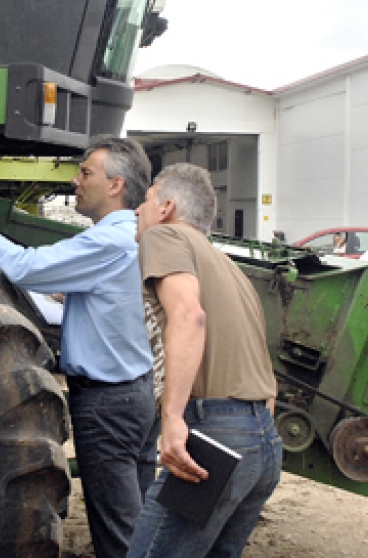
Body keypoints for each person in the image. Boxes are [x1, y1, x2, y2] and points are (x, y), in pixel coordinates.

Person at [0, 135, 158, 558]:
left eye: (86, 172)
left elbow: (24, 267)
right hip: (134, 395)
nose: (75, 181)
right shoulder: (131, 235)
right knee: (140, 523)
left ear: (115, 185)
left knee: (119, 535)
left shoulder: (107, 242)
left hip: (108, 405)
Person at [128, 163, 282, 558]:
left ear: (166, 207)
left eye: (144, 201)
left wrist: (173, 418)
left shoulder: (164, 236)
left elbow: (188, 316)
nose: (137, 212)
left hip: (214, 436)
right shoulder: (230, 268)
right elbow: (267, 374)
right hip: (262, 444)